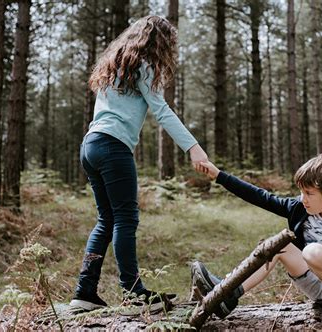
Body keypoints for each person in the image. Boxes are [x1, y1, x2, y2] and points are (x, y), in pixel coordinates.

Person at [70, 15, 208, 311]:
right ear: (157, 43)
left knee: (106, 220)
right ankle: (133, 293)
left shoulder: (114, 67)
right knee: (125, 219)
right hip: (112, 147)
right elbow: (162, 111)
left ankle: (84, 292)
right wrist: (194, 148)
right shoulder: (144, 67)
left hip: (90, 146)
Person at [192, 154, 322, 331]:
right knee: (279, 245)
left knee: (312, 252)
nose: (303, 198)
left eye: (309, 193)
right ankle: (229, 293)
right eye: (301, 192)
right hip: (320, 289)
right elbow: (259, 196)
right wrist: (218, 175)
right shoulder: (299, 208)